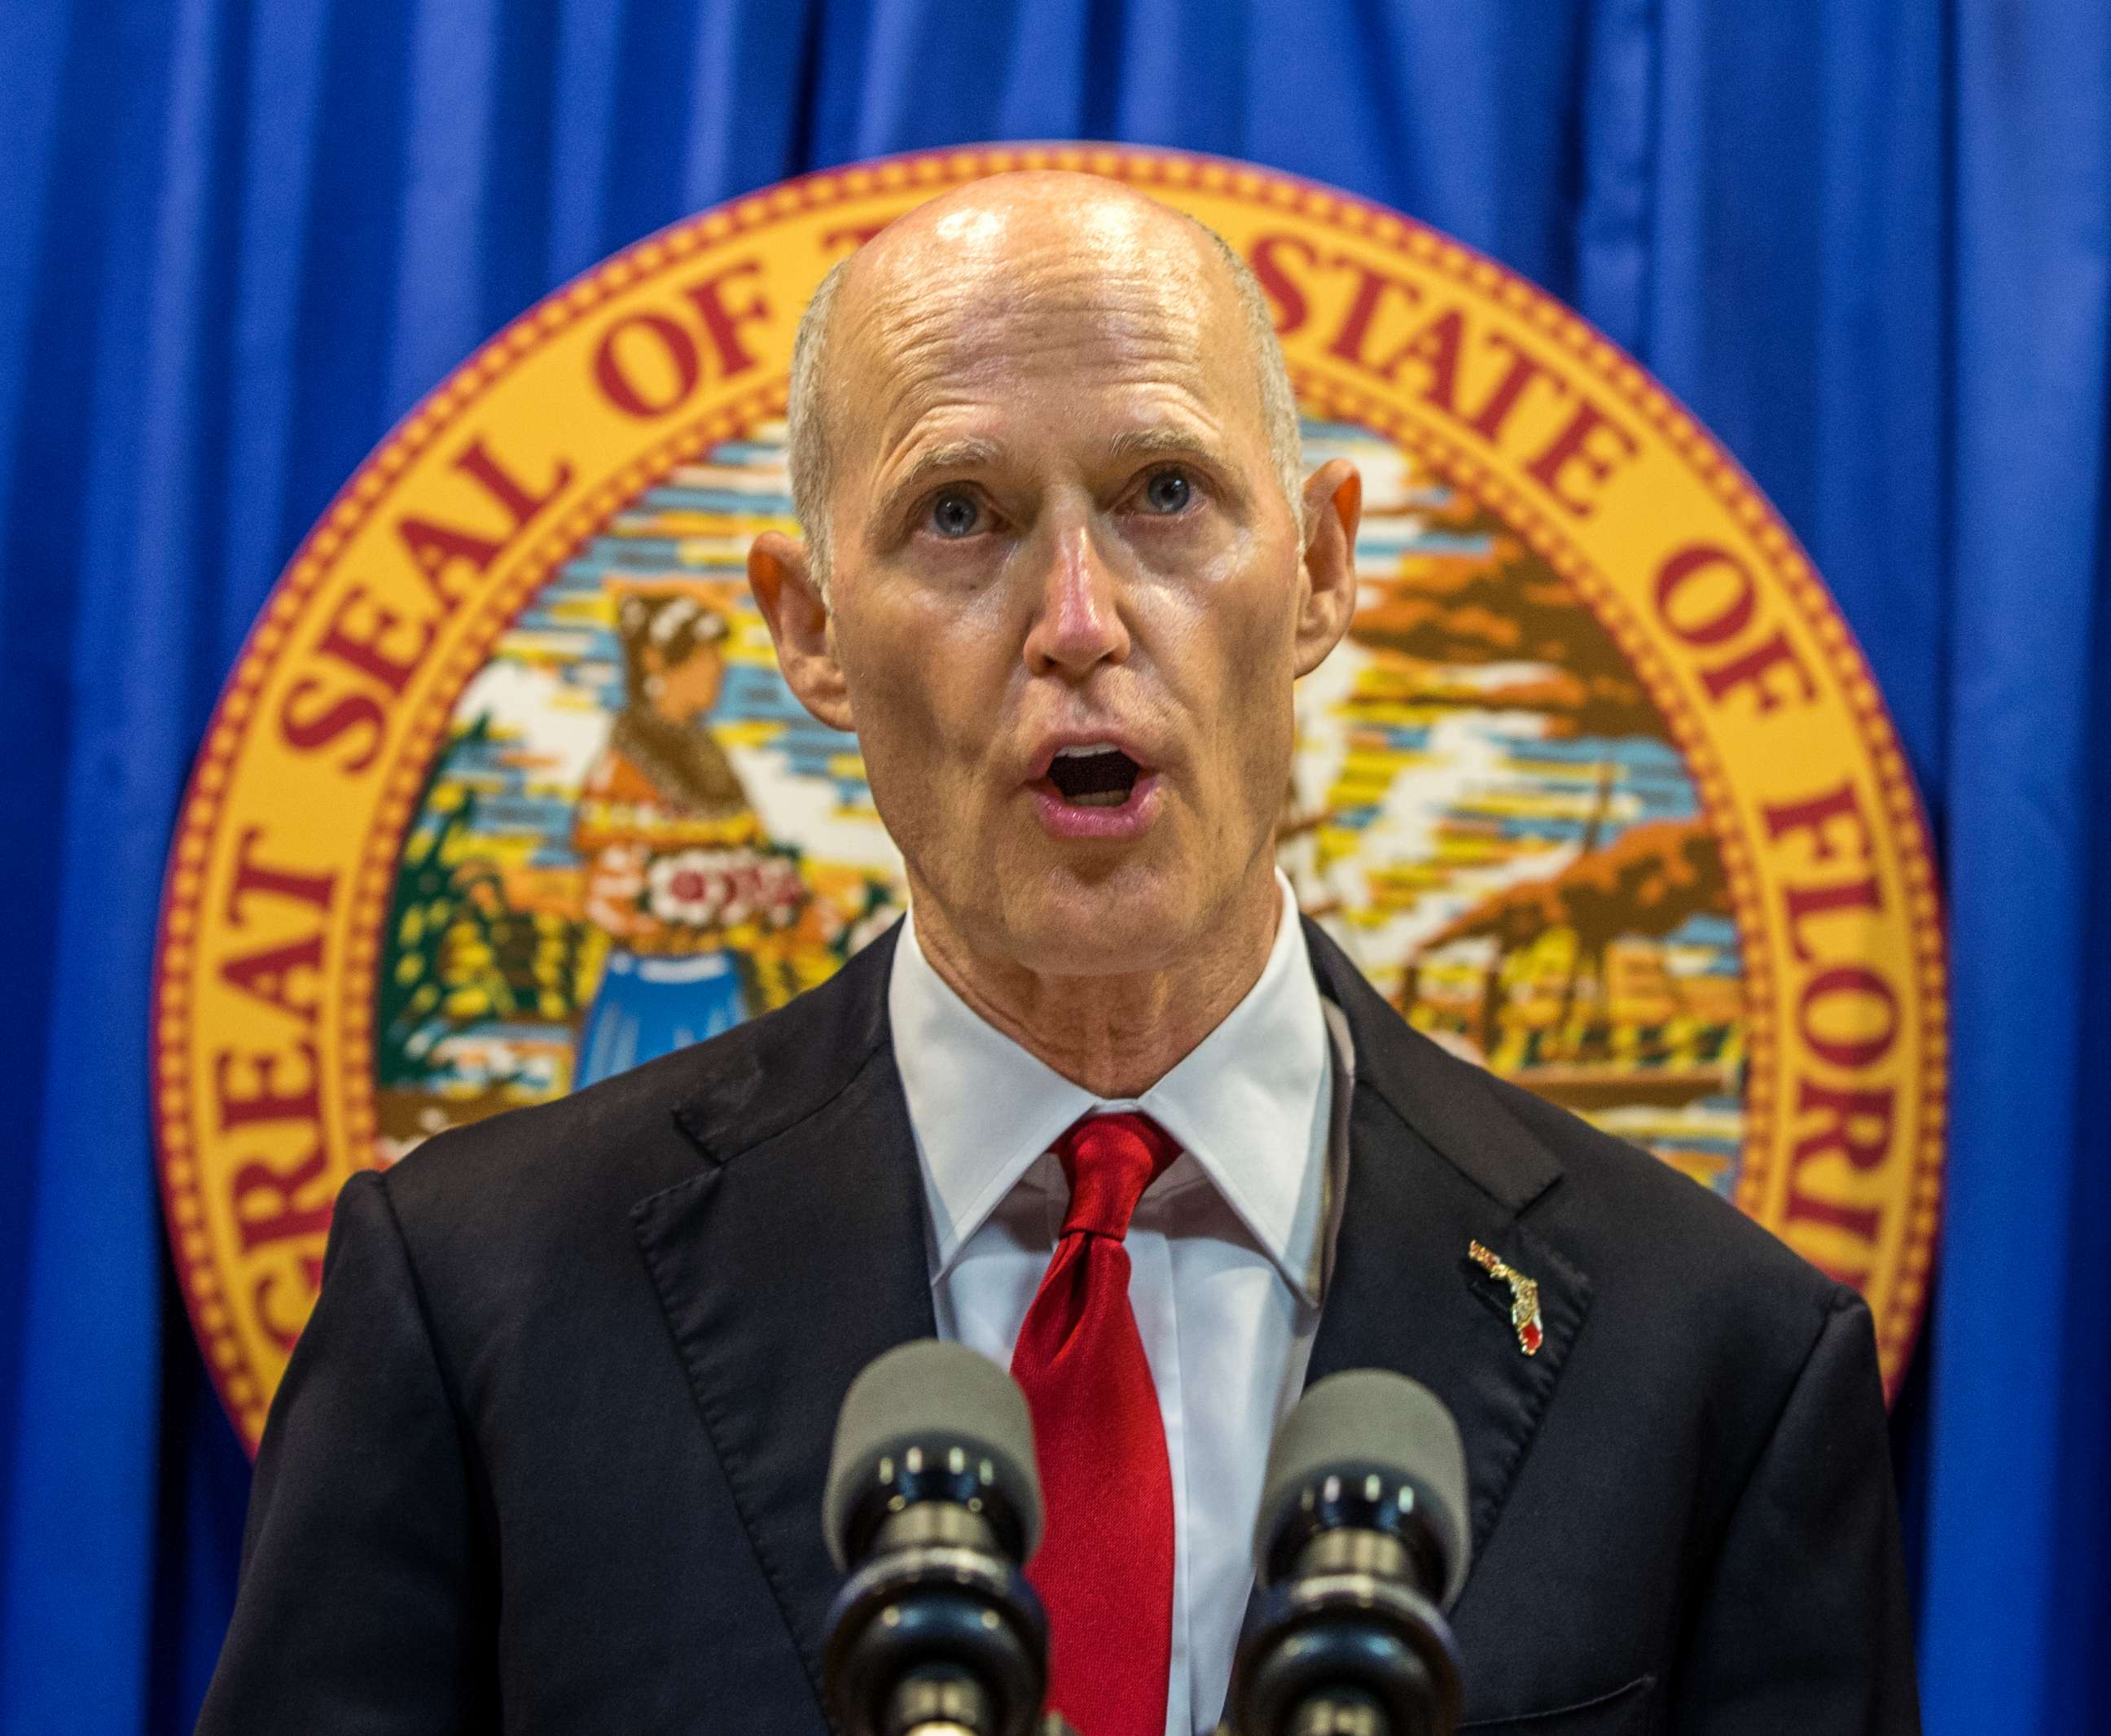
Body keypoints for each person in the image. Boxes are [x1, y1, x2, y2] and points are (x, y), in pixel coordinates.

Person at [197, 174, 1919, 1735]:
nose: (1080, 621)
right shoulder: (477, 1300)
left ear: (1317, 566)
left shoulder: (1721, 1359)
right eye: (959, 514)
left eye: (1167, 492)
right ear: (807, 628)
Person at [570, 588, 798, 1085]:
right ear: (659, 662)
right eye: (704, 656)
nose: (718, 668)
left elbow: (756, 856)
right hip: (647, 997)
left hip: (718, 986)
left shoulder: (713, 763)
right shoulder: (621, 771)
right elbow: (613, 894)